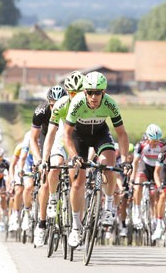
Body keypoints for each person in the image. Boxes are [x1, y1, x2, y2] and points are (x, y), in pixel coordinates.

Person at [63, 71, 131, 248]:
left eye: (98, 92)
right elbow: (67, 134)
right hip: (79, 137)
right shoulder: (77, 103)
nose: (93, 97)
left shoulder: (110, 104)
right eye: (90, 92)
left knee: (109, 166)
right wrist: (74, 156)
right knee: (78, 183)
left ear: (104, 92)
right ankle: (76, 227)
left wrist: (124, 160)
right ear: (84, 92)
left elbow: (122, 134)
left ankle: (108, 207)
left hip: (100, 135)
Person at [26, 85, 65, 247]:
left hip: (63, 140)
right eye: (52, 104)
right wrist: (38, 159)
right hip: (46, 140)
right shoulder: (41, 111)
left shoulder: (71, 109)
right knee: (45, 182)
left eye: (59, 103)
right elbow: (33, 140)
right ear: (48, 102)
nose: (55, 107)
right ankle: (41, 224)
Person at [42, 71, 84, 221]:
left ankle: (76, 221)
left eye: (79, 92)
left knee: (78, 183)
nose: (75, 96)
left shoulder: (89, 106)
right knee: (55, 167)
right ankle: (53, 198)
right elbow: (51, 133)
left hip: (78, 143)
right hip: (61, 140)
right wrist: (44, 160)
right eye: (72, 93)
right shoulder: (61, 104)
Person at [131, 124, 164, 228]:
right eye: (153, 140)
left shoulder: (163, 146)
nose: (155, 143)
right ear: (148, 138)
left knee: (157, 192)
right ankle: (136, 210)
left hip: (157, 168)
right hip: (145, 165)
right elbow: (135, 162)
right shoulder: (141, 145)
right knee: (138, 185)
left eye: (157, 141)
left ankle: (155, 217)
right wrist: (133, 177)